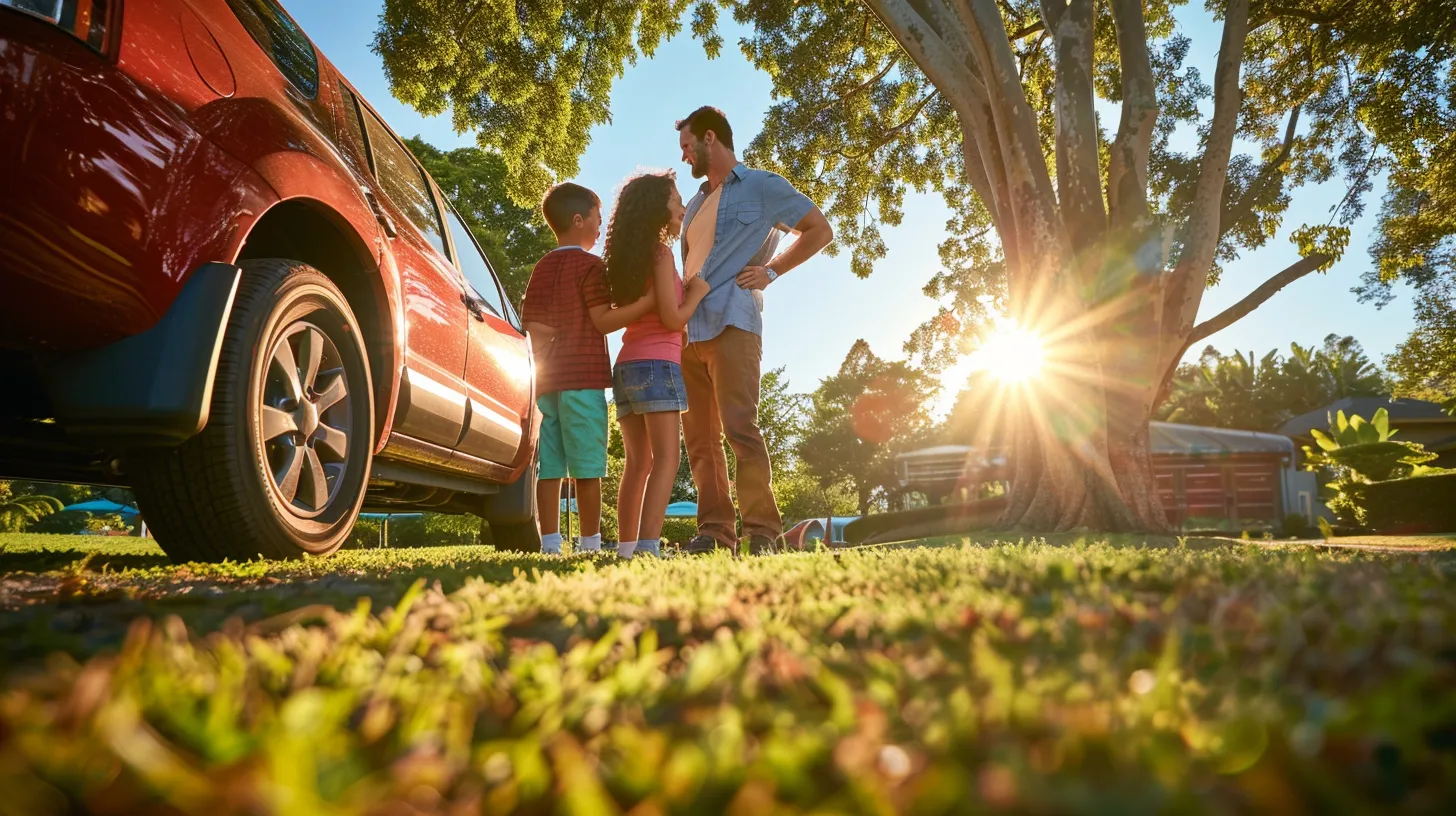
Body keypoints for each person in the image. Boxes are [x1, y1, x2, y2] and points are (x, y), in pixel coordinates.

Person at [675, 106, 834, 555]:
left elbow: (819, 229)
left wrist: (772, 271)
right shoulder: (694, 204)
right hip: (689, 330)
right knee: (700, 441)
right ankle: (714, 531)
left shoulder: (762, 186)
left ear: (710, 139)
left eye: (688, 146)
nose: (685, 156)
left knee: (740, 428)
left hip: (734, 321)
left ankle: (762, 531)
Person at [521, 183, 653, 554]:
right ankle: (590, 544)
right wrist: (646, 304)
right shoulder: (592, 266)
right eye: (597, 220)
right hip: (583, 380)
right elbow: (602, 321)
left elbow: (533, 326)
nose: (599, 227)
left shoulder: (542, 266)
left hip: (548, 382)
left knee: (550, 467)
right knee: (586, 467)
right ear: (578, 221)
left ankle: (549, 543)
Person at [601, 171, 710, 558]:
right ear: (656, 209)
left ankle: (625, 548)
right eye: (676, 200)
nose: (682, 207)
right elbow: (672, 318)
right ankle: (648, 548)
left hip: (627, 365)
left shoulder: (629, 256)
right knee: (666, 459)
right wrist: (695, 292)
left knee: (638, 462)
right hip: (656, 366)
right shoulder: (660, 254)